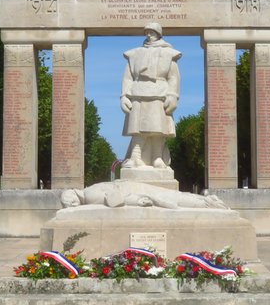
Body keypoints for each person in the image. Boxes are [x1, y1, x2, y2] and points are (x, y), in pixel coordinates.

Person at [120, 22, 181, 169]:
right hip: (138, 92)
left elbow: (173, 77)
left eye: (152, 32)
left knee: (158, 128)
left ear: (159, 34)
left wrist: (173, 95)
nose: (148, 35)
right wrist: (124, 96)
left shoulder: (168, 53)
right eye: (147, 32)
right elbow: (127, 77)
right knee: (137, 128)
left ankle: (157, 158)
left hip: (159, 92)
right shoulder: (134, 53)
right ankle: (135, 157)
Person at [59, 181, 227, 210]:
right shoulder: (88, 193)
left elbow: (115, 199)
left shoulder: (89, 195)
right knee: (173, 196)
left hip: (134, 190)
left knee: (173, 196)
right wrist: (138, 201)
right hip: (135, 190)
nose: (72, 205)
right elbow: (116, 200)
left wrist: (137, 199)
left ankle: (207, 203)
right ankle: (206, 202)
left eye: (70, 203)